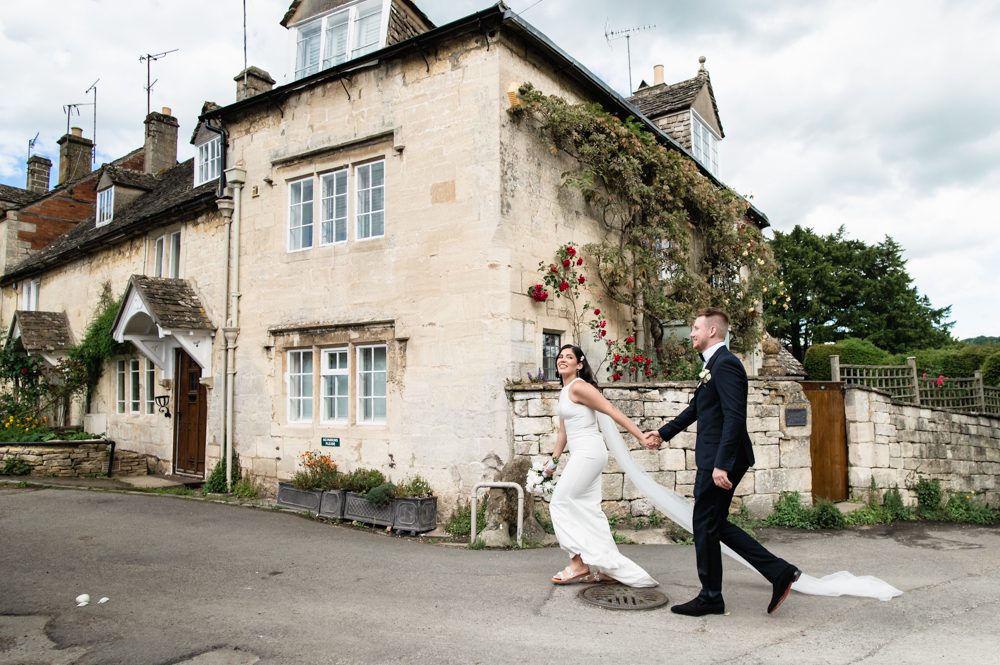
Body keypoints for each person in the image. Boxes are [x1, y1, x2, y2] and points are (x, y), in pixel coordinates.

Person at [646, 308, 800, 616]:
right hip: (716, 457)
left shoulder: (727, 365)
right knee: (712, 523)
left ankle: (711, 595)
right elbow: (696, 409)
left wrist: (722, 464)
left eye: (695, 328)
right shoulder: (713, 365)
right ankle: (778, 571)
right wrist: (662, 434)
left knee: (704, 523)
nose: (691, 333)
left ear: (712, 332)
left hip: (721, 459)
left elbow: (734, 418)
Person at [544, 344, 658, 587]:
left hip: (588, 453)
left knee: (560, 502)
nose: (562, 360)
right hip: (583, 455)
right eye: (560, 356)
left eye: (569, 357)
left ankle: (578, 563)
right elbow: (563, 432)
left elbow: (611, 409)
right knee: (589, 511)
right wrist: (552, 463)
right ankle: (611, 568)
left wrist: (640, 436)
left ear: (580, 365)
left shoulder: (579, 387)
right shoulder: (564, 391)